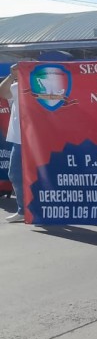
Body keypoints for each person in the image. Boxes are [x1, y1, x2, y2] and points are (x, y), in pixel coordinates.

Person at [0, 64, 23, 222]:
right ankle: (23, 210)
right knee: (14, 174)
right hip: (19, 139)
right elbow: (2, 92)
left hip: (38, 139)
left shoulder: (41, 87)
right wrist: (11, 75)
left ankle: (43, 210)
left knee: (43, 175)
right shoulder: (17, 87)